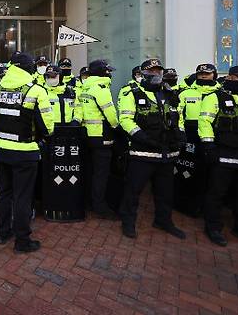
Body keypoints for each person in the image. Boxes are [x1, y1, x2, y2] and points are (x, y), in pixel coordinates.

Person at [0, 52, 54, 253]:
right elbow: (48, 126)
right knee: (23, 197)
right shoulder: (36, 91)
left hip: (1, 149)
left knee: (4, 194)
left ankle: (2, 233)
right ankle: (22, 241)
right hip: (25, 152)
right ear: (29, 68)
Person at [118, 58, 186, 239]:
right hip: (142, 152)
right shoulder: (131, 93)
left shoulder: (169, 93)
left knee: (165, 192)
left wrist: (180, 135)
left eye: (158, 71)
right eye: (151, 71)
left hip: (166, 153)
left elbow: (178, 117)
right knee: (133, 191)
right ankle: (128, 222)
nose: (156, 74)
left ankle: (164, 221)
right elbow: (125, 120)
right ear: (143, 74)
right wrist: (142, 137)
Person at [199, 64, 238, 249]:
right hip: (225, 154)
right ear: (231, 78)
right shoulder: (215, 97)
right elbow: (205, 121)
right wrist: (209, 145)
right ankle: (213, 228)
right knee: (217, 194)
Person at [75, 59, 119, 219]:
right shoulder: (101, 88)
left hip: (87, 135)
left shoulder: (84, 87)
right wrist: (117, 127)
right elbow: (111, 115)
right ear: (102, 72)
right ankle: (99, 206)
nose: (110, 74)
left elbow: (78, 110)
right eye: (108, 71)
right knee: (101, 173)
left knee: (89, 170)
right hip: (101, 136)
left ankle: (88, 201)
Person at [175, 63, 220, 216]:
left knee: (211, 174)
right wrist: (181, 134)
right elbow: (177, 115)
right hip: (190, 137)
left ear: (214, 75)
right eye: (200, 73)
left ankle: (205, 206)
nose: (203, 76)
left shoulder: (222, 93)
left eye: (207, 73)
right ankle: (187, 204)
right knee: (187, 172)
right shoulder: (185, 93)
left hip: (212, 137)